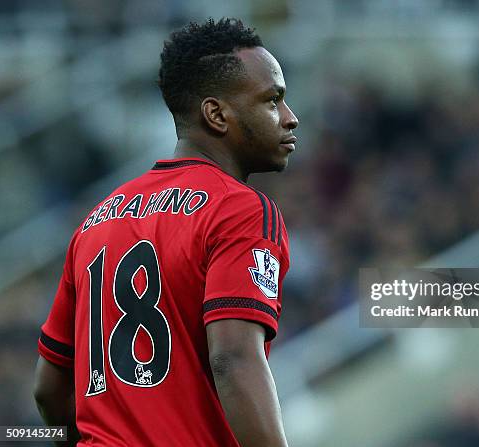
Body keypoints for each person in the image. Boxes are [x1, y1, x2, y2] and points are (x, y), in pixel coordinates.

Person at [33, 18, 298, 447]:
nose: (290, 117)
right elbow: (233, 358)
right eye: (273, 100)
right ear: (217, 114)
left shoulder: (96, 220)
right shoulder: (239, 210)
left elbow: (48, 390)